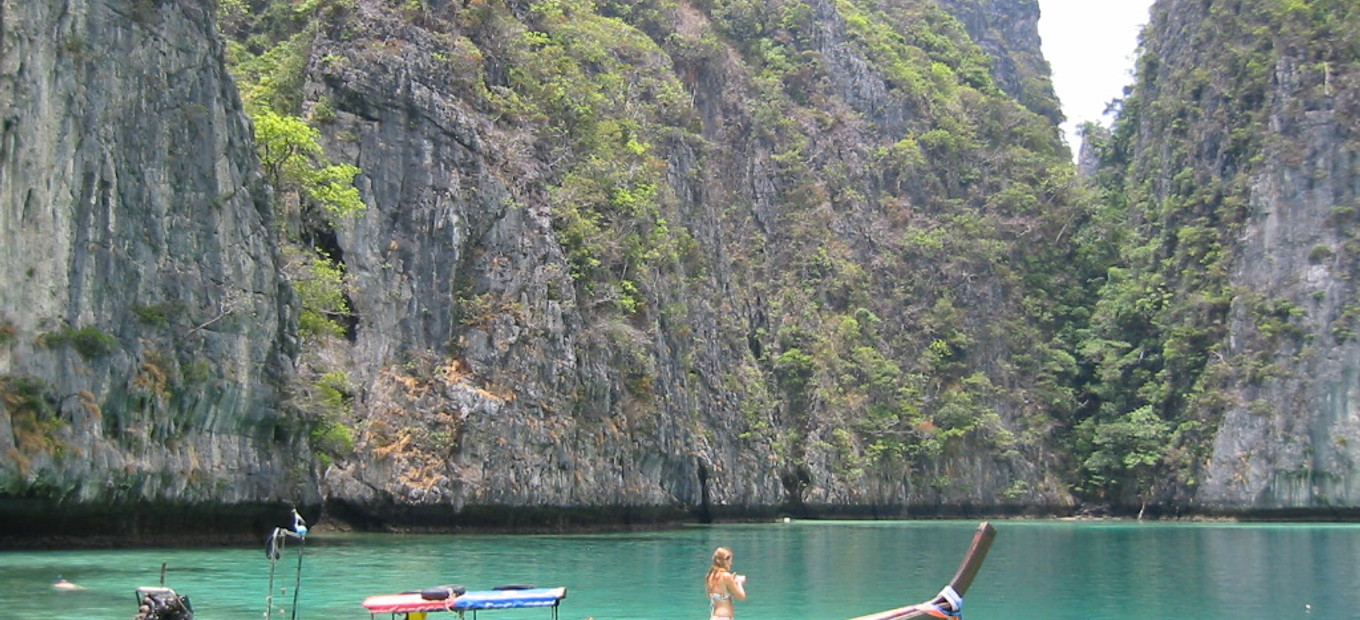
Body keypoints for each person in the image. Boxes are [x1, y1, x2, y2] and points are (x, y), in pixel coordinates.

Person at [705, 547, 746, 620]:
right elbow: (741, 597)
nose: (731, 563)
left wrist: (731, 581)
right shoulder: (726, 576)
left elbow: (710, 595)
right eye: (730, 561)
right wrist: (739, 582)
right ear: (723, 561)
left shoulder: (709, 576)